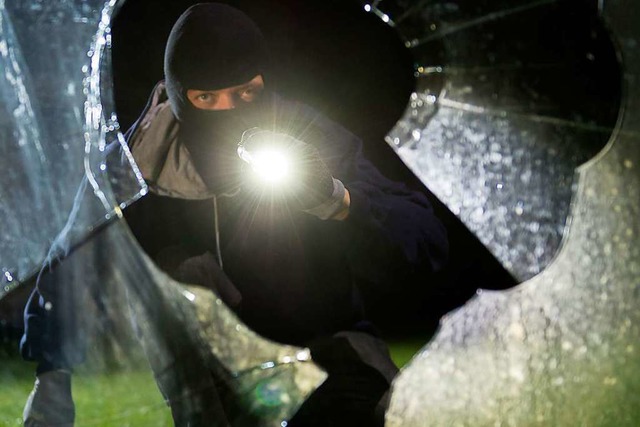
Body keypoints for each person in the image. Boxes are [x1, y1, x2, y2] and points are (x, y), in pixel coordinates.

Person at [21, 3, 448, 426]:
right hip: (207, 388)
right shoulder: (135, 168)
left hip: (329, 360)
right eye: (206, 97)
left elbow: (423, 238)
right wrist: (52, 372)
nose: (228, 109)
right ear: (177, 92)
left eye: (246, 93)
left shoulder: (308, 136)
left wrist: (337, 201)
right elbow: (74, 258)